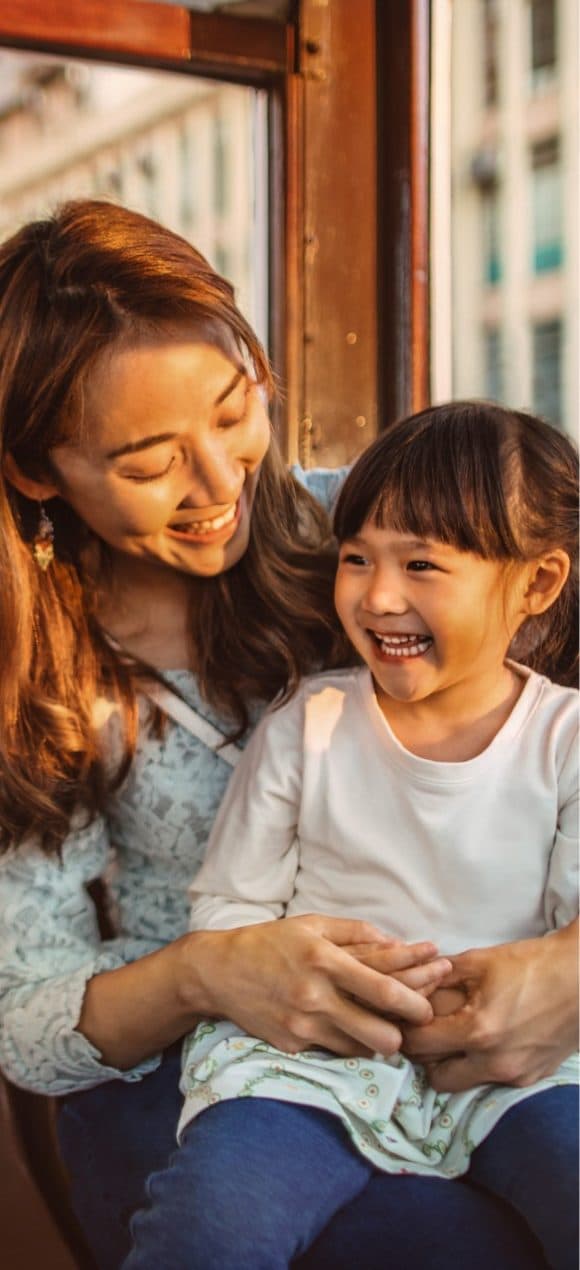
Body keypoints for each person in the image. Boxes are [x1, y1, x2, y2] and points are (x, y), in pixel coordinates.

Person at [0, 201, 571, 1270]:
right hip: (200, 1071)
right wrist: (208, 974)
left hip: (478, 1049)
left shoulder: (381, 539)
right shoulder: (34, 678)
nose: (223, 486)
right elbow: (23, 1015)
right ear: (39, 472)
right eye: (145, 460)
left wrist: (570, 969)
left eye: (232, 409)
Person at [123, 403, 578, 1270]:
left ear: (537, 584)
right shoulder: (310, 722)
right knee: (210, 1222)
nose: (377, 596)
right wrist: (295, 966)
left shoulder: (565, 742)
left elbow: (569, 937)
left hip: (508, 1066)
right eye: (356, 558)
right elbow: (226, 908)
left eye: (422, 564)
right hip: (310, 1064)